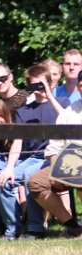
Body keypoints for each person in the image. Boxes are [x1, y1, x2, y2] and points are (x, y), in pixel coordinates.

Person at [0, 64, 57, 239]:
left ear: (50, 83)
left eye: (41, 84)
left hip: (53, 157)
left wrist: (49, 96)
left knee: (30, 175)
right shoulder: (23, 112)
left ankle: (35, 228)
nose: (38, 88)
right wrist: (9, 168)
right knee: (4, 181)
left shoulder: (62, 104)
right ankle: (13, 229)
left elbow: (65, 118)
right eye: (33, 84)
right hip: (33, 158)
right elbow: (18, 142)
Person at [27, 77, 82, 237]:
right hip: (69, 163)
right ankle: (74, 227)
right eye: (81, 85)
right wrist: (56, 170)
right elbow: (54, 146)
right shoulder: (69, 112)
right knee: (36, 183)